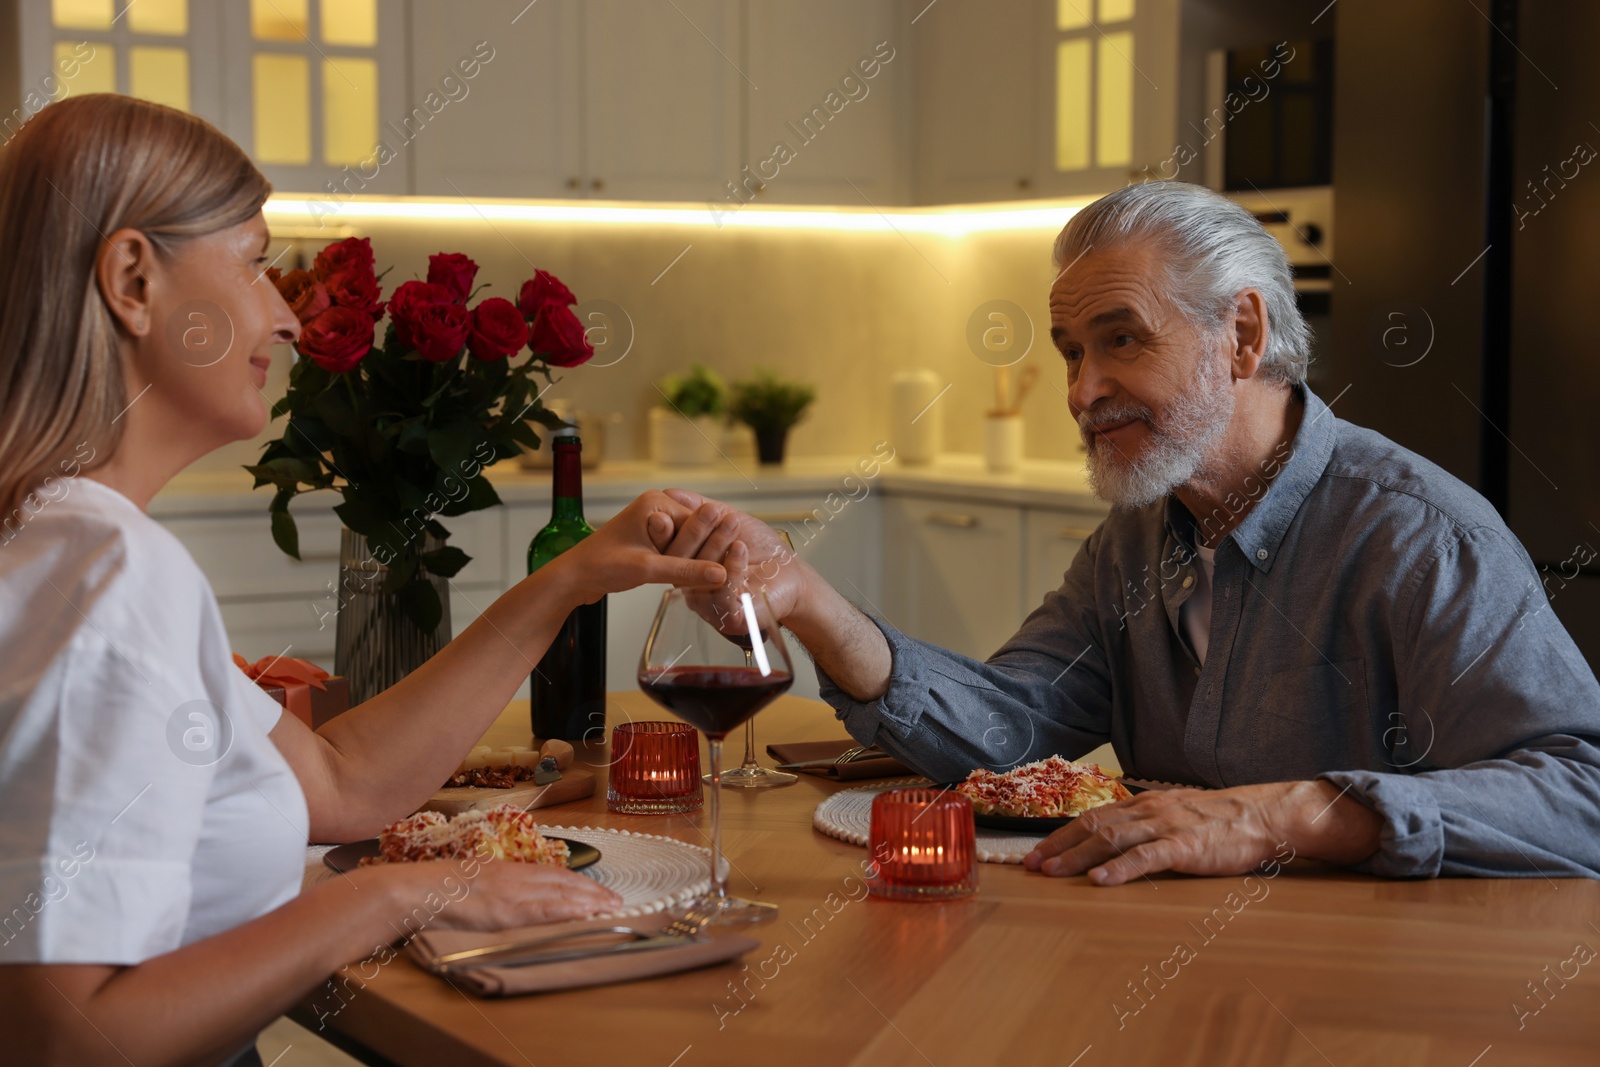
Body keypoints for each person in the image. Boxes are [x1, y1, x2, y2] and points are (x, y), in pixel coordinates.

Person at [0, 95, 729, 1066]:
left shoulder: (55, 543)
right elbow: (67, 1036)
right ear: (133, 278)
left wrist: (571, 580)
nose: (286, 314)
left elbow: (340, 785)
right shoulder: (108, 573)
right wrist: (394, 893)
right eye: (257, 261)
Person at [655, 180, 1600, 887]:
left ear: (1241, 335)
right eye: (1072, 352)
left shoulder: (1419, 536)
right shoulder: (1135, 540)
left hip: (1387, 998)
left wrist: (1289, 812)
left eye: (1122, 340)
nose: (1080, 392)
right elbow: (1012, 733)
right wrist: (810, 603)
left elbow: (1581, 795)